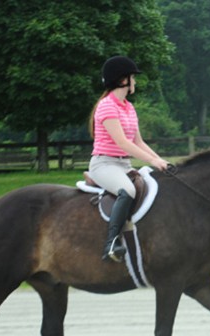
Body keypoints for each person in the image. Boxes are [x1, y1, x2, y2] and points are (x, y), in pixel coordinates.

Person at [89, 56, 170, 262]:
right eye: (132, 77)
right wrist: (152, 162)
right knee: (128, 191)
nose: (135, 82)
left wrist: (161, 161)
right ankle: (111, 244)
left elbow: (138, 142)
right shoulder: (107, 106)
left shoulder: (128, 107)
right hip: (104, 163)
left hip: (123, 164)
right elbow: (123, 143)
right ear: (122, 80)